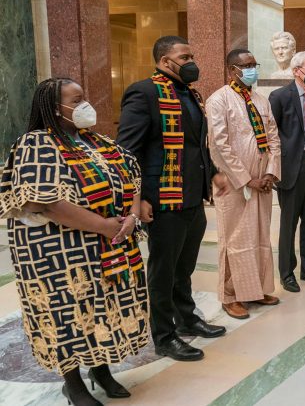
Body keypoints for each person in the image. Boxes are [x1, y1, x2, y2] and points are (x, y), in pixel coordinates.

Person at [0, 78, 148, 405]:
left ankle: (101, 369)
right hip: (62, 250)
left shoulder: (96, 141)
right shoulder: (35, 144)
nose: (85, 105)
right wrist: (104, 226)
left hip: (107, 244)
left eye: (85, 97)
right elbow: (47, 201)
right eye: (77, 99)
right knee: (67, 312)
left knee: (102, 308)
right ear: (55, 108)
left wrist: (133, 216)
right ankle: (73, 383)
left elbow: (132, 174)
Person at [117, 35, 226, 362]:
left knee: (185, 265)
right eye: (185, 56)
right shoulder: (145, 92)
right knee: (163, 269)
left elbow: (196, 145)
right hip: (162, 198)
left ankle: (187, 317)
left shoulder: (190, 93)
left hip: (193, 195)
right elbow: (127, 152)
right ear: (165, 61)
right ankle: (164, 336)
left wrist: (213, 174)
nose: (192, 60)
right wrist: (139, 198)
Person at [206, 49, 282, 319]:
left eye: (254, 64)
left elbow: (273, 137)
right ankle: (230, 296)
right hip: (235, 183)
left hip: (263, 182)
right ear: (231, 70)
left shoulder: (261, 100)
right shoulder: (218, 100)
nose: (252, 69)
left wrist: (270, 173)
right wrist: (248, 179)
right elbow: (219, 145)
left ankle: (257, 290)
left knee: (261, 236)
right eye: (245, 65)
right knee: (235, 239)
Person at [269, 51, 305, 292]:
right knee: (288, 222)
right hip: (291, 167)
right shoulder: (279, 97)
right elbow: (272, 135)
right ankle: (287, 272)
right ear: (296, 71)